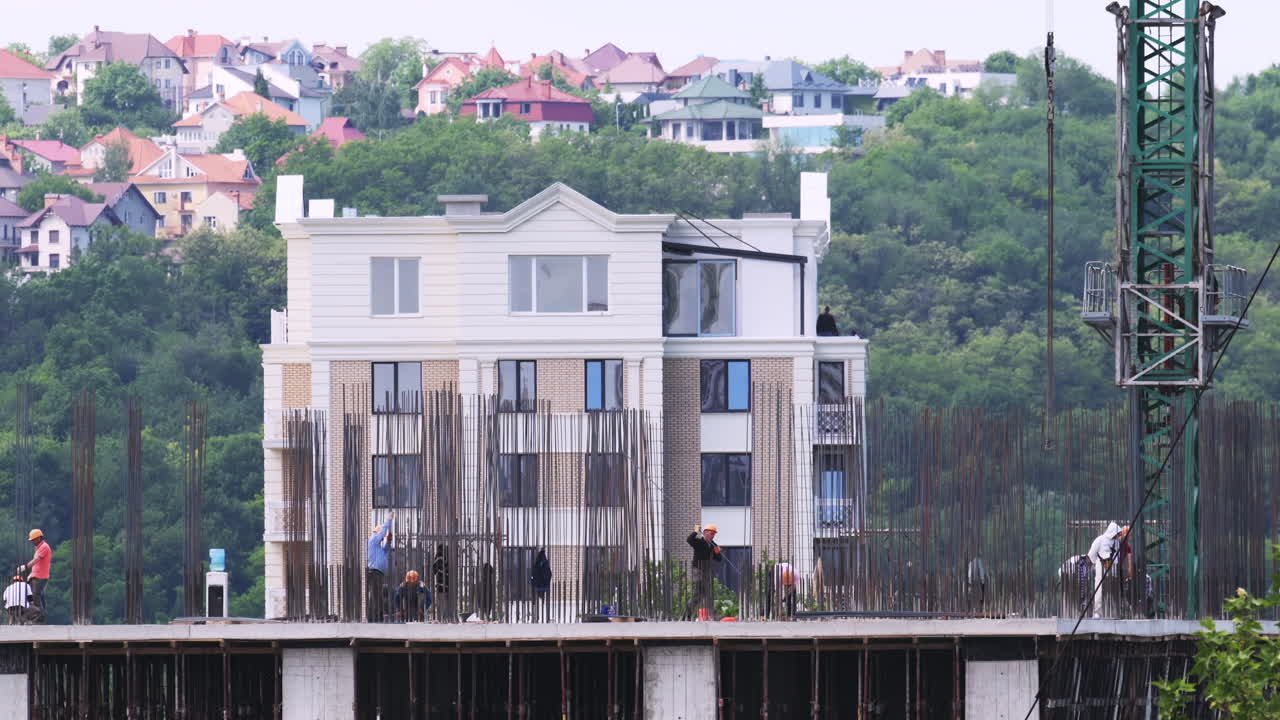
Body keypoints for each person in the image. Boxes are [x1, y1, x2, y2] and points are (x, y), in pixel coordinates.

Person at [1086, 522, 1124, 618]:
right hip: (1101, 569)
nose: (1117, 536)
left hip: (1113, 570)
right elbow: (1091, 554)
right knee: (1099, 590)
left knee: (1112, 591)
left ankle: (1112, 612)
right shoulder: (1100, 540)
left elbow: (1117, 556)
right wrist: (1097, 563)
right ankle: (1098, 612)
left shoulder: (1116, 542)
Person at [684, 524, 722, 620]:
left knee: (700, 594)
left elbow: (718, 559)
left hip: (706, 571)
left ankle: (687, 614)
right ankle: (712, 615)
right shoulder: (699, 542)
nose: (712, 536)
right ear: (705, 533)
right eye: (711, 533)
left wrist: (718, 553)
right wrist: (695, 532)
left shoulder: (713, 545)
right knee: (705, 591)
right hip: (698, 569)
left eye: (714, 534)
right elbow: (689, 540)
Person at [18, 529, 50, 620]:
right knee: (39, 595)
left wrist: (26, 567)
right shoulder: (39, 548)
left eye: (33, 539)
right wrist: (31, 574)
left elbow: (36, 560)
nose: (32, 541)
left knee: (36, 595)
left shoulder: (44, 547)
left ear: (39, 538)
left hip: (41, 576)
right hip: (36, 575)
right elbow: (37, 565)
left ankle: (39, 616)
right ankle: (41, 614)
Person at [366, 518, 393, 622]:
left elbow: (385, 552)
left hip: (378, 573)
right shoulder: (373, 540)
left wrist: (389, 542)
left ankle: (377, 616)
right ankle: (374, 617)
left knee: (377, 595)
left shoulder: (378, 547)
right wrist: (388, 521)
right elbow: (381, 534)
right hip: (374, 572)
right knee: (375, 596)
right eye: (381, 536)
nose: (382, 538)